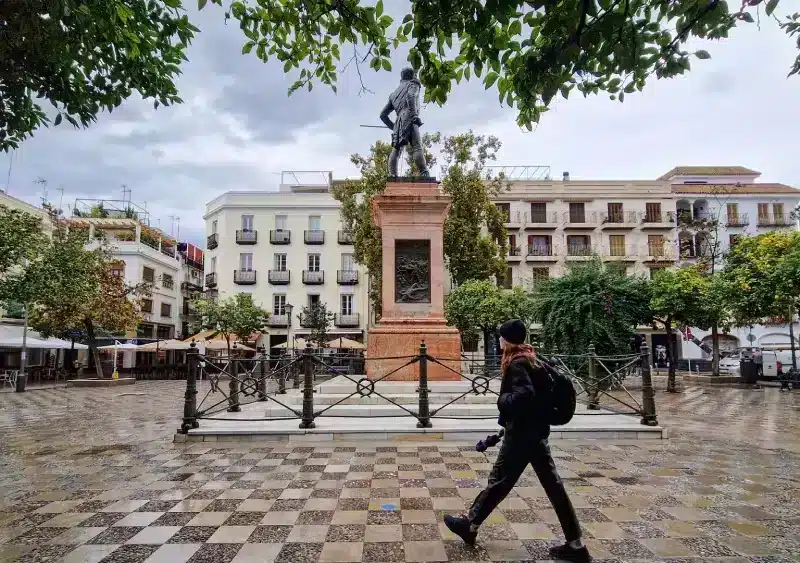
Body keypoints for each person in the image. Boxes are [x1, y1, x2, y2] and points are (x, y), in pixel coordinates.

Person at [444, 319, 591, 563]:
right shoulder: (532, 358)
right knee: (553, 487)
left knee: (499, 480)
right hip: (536, 433)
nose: (500, 340)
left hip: (522, 435)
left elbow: (524, 395)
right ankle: (576, 544)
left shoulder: (517, 363)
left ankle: (470, 524)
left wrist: (502, 401)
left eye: (502, 337)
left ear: (507, 340)